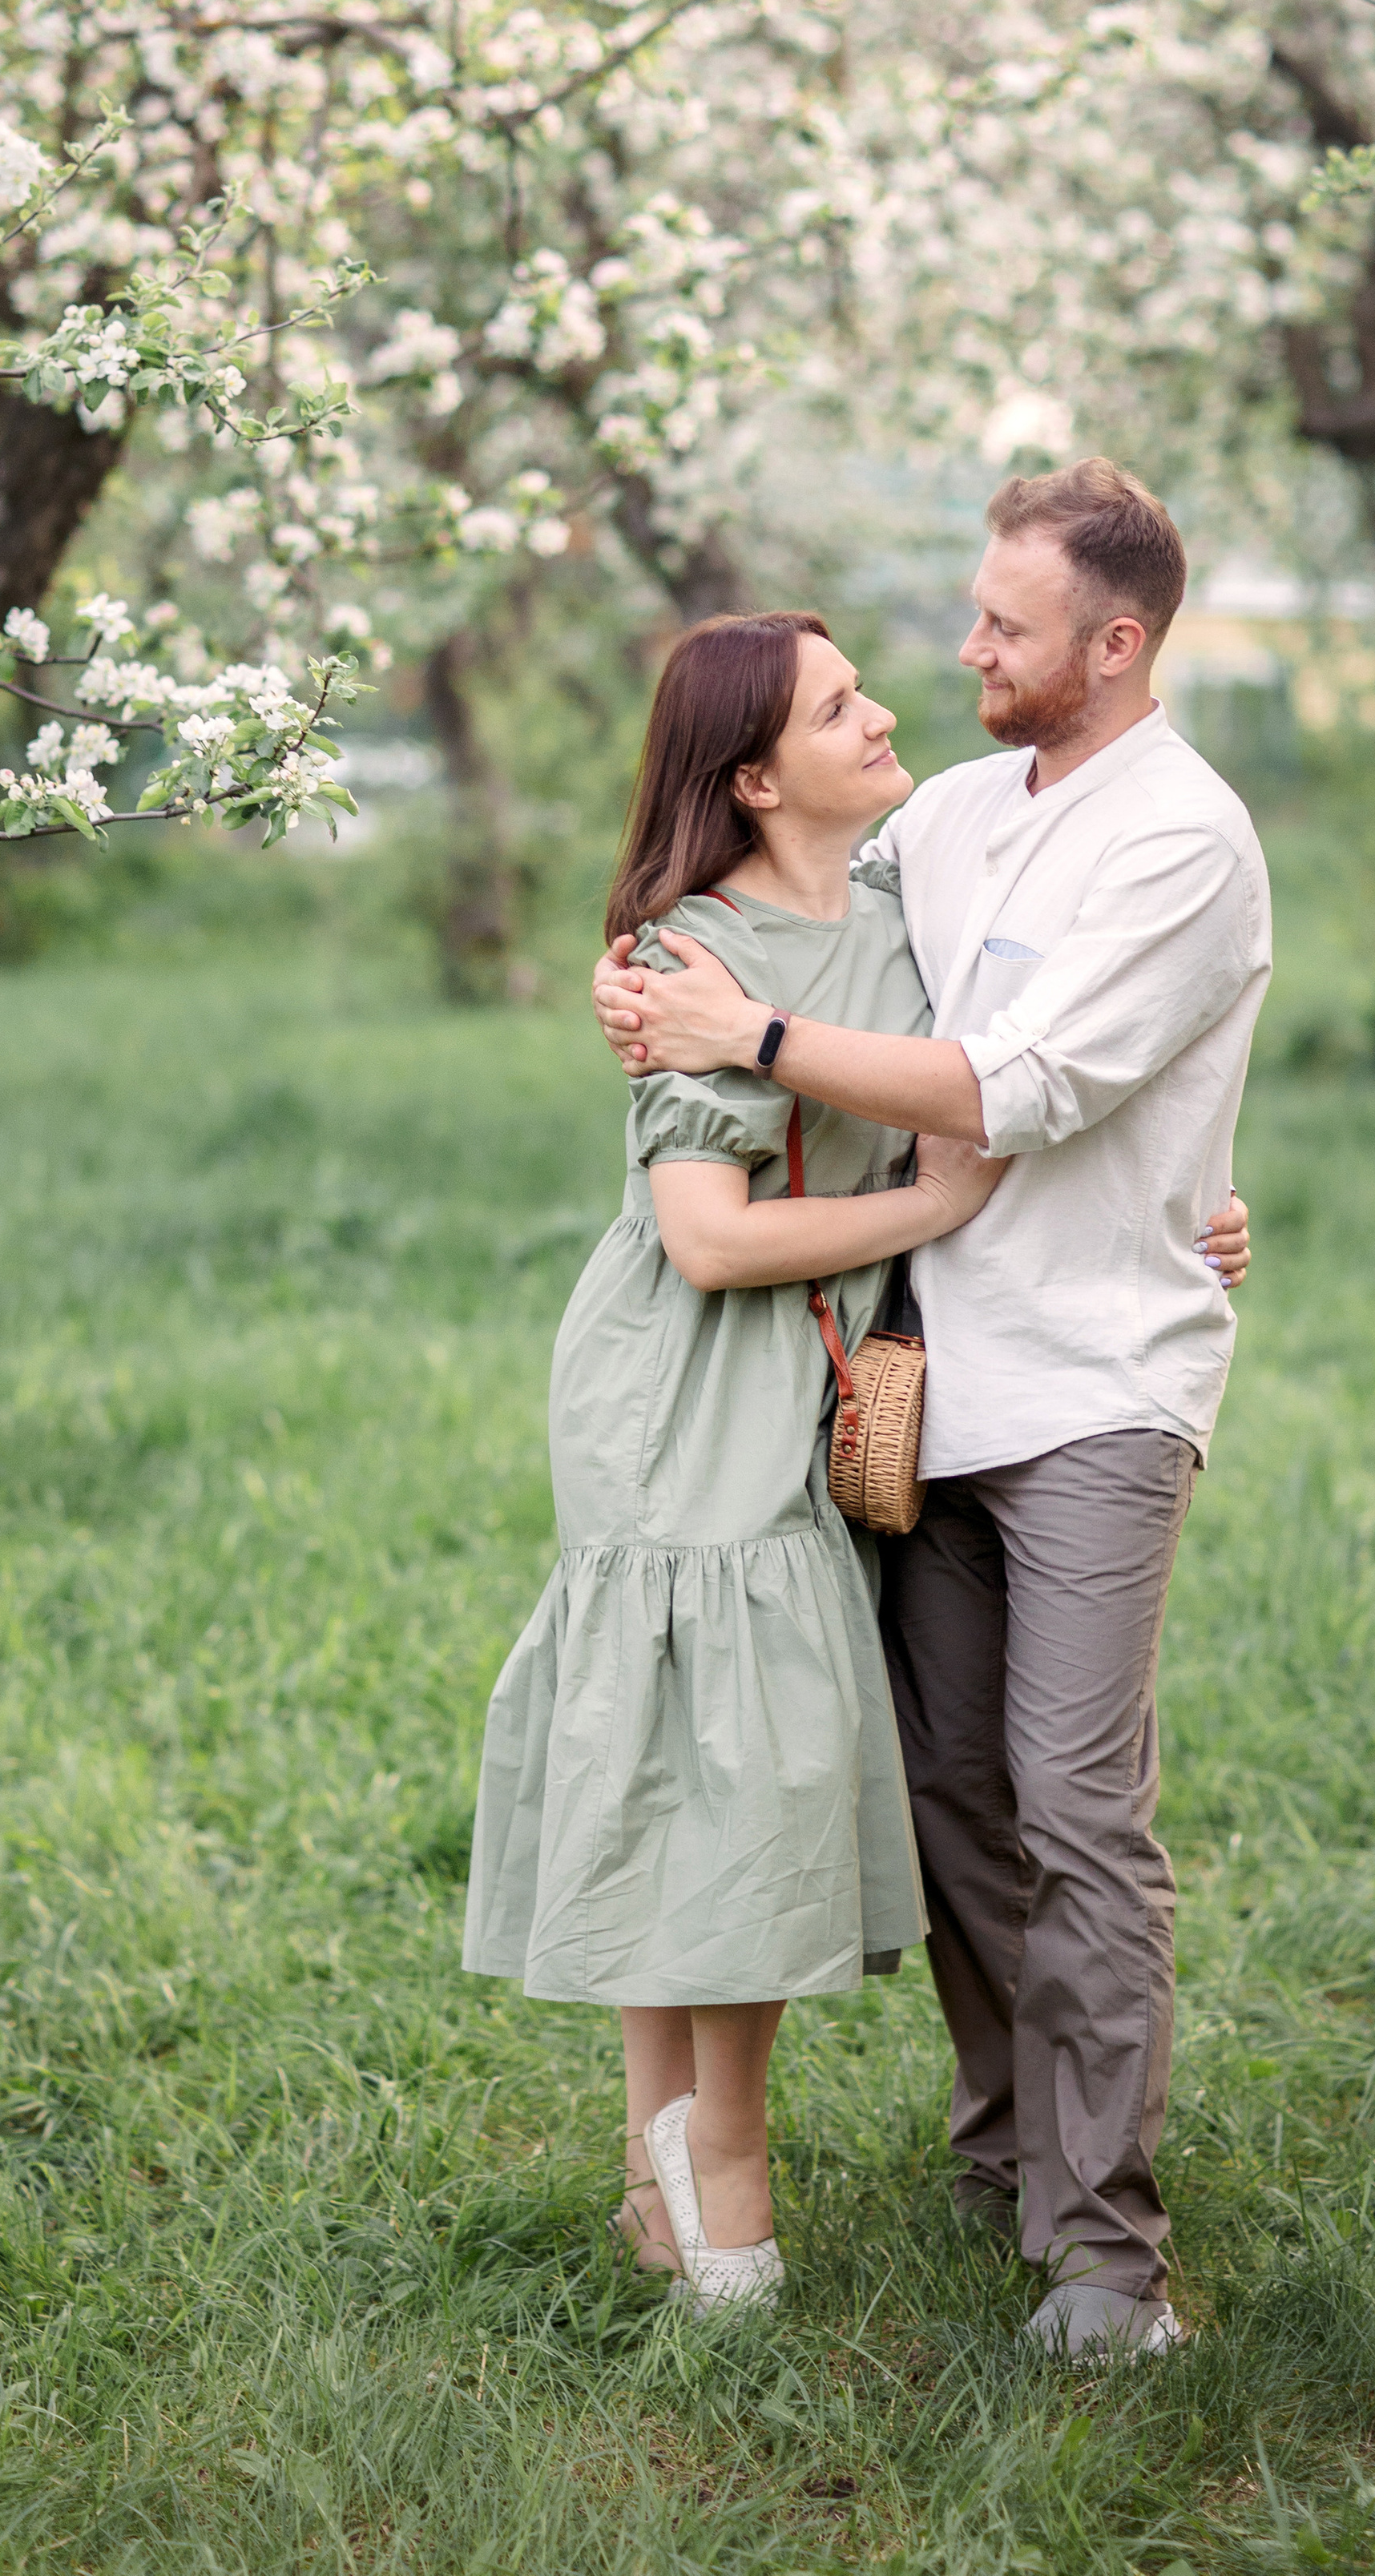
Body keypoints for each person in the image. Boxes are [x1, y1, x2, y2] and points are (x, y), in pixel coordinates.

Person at [594, 458, 1271, 2359]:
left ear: (1112, 646)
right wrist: (647, 967)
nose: (962, 650)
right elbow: (767, 908)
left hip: (1097, 1391)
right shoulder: (959, 813)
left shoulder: (1183, 838)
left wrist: (750, 1037)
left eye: (1002, 625)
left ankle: (1107, 2261)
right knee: (956, 1804)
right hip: (913, 1381)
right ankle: (1008, 2164)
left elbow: (1020, 1087)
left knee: (1073, 1805)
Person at [462, 610, 1006, 2315]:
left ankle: (663, 2173)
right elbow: (702, 1240)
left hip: (801, 1373)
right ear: (756, 778)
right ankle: (723, 2165)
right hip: (684, 1388)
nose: (885, 713)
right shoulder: (693, 953)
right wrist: (926, 1208)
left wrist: (1181, 1212)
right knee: (718, 1761)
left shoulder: (906, 912)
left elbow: (1023, 1074)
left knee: (720, 1755)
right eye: (839, 709)